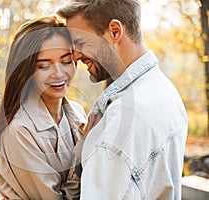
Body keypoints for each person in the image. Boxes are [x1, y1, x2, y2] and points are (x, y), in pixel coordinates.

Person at [57, 0, 188, 199]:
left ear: (115, 32)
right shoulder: (165, 91)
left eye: (81, 42)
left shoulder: (123, 120)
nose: (75, 56)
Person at [0, 16, 86, 200]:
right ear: (27, 71)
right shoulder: (20, 131)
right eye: (44, 66)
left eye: (66, 61)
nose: (59, 73)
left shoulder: (78, 113)